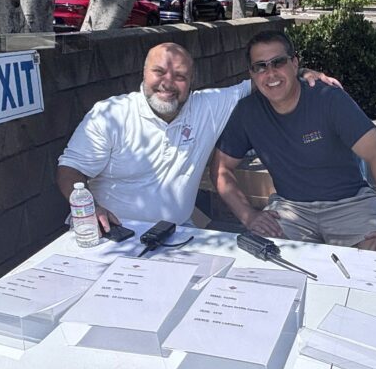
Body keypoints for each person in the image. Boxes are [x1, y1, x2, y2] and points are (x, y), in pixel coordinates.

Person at [56, 42, 338, 230]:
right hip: (110, 234)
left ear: (192, 82)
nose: (168, 83)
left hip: (174, 235)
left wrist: (301, 72)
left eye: (180, 76)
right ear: (143, 74)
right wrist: (90, 209)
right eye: (158, 72)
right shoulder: (111, 114)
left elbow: (261, 82)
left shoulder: (206, 106)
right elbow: (69, 170)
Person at [212, 30, 376, 254]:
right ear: (252, 73)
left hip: (351, 204)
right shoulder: (248, 112)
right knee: (262, 257)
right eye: (261, 66)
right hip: (291, 207)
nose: (271, 73)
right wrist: (248, 215)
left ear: (295, 64)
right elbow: (220, 168)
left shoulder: (328, 99)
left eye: (278, 62)